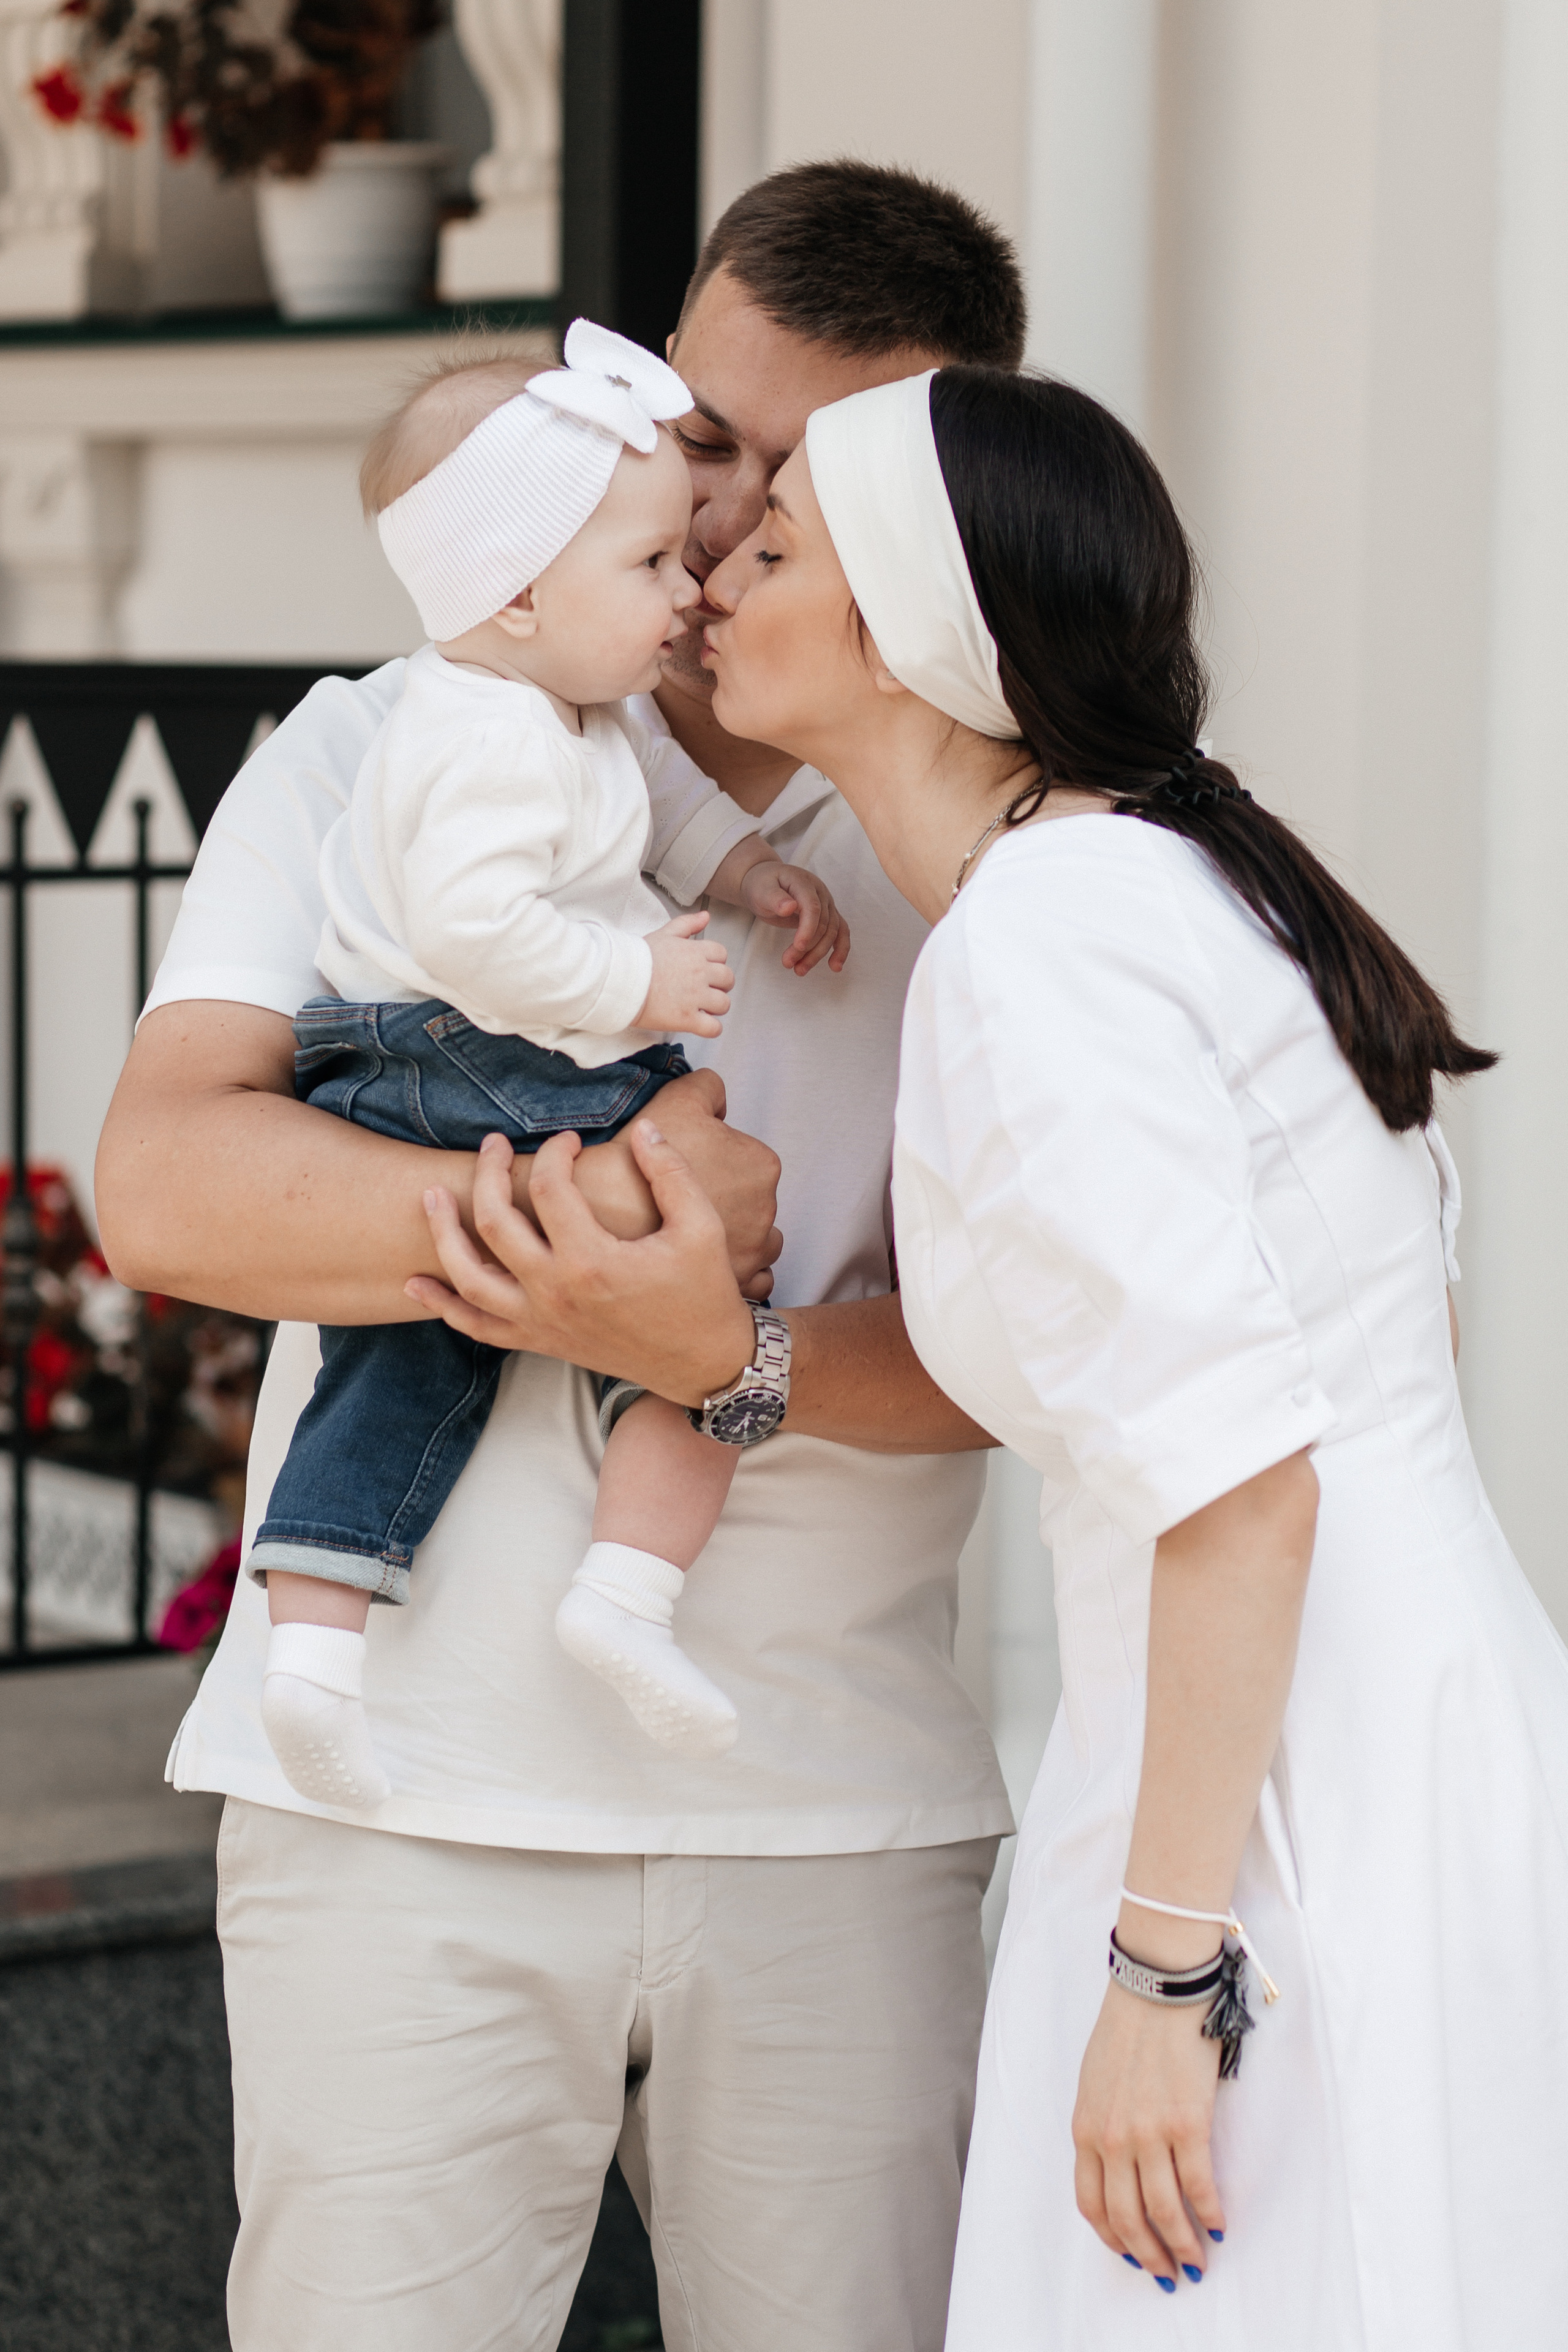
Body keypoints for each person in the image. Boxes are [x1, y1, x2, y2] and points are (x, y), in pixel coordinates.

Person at [95, 162, 1025, 2352]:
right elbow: (171, 1185)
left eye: (802, 482)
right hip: (394, 1809)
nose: (716, 523)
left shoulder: (989, 844)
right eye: (702, 434)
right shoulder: (376, 740)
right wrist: (593, 1240)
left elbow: (1033, 1351)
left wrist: (730, 1350)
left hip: (836, 1813)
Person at [616, 359, 1567, 2347]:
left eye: (775, 549)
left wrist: (1164, 1973)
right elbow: (1322, 1363)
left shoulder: (1047, 938)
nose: (714, 574)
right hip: (1383, 1734)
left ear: (905, 625)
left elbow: (1244, 1479)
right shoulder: (1182, 883)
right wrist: (733, 1356)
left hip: (1274, 1805)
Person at [254, 319, 851, 1804]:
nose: (689, 581)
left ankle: (311, 1660)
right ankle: (627, 1594)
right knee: (709, 1303)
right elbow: (474, 931)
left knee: (395, 1365)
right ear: (518, 596)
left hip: (433, 1067)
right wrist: (635, 980)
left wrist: (745, 872)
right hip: (474, 1052)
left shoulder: (563, 705)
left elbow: (661, 805)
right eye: (647, 562)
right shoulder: (488, 741)